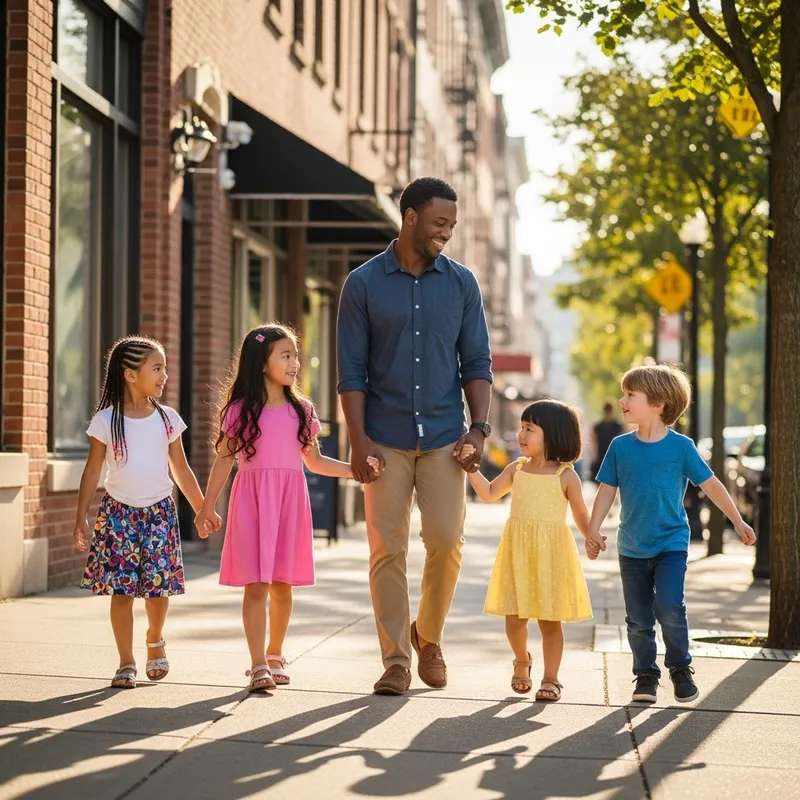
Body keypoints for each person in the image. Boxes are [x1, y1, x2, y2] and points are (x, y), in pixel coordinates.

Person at [337, 176, 493, 696]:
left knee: (446, 542)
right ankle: (397, 660)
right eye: (438, 223)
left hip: (447, 436)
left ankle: (428, 636)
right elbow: (351, 371)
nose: (446, 232)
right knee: (387, 548)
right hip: (384, 435)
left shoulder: (462, 284)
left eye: (452, 223)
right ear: (410, 218)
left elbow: (476, 362)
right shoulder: (362, 284)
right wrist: (358, 441)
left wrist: (479, 428)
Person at [196, 324, 378, 693]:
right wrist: (206, 506)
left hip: (289, 502)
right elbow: (223, 460)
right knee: (256, 583)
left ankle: (276, 653)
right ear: (262, 363)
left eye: (295, 355)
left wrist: (355, 471)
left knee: (282, 584)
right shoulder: (240, 410)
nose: (295, 363)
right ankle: (257, 663)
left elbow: (315, 461)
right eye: (286, 355)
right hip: (253, 500)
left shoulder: (302, 410)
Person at [586, 365, 756, 705]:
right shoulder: (620, 447)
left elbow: (711, 484)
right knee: (638, 619)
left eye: (631, 395)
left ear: (658, 404)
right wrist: (593, 529)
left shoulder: (681, 448)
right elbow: (606, 491)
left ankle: (680, 667)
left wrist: (737, 521)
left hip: (671, 543)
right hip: (631, 546)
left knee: (669, 605)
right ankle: (646, 676)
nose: (623, 400)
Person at [73, 335, 205, 689]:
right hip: (118, 515)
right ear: (131, 374)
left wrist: (201, 508)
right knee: (121, 591)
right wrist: (81, 515)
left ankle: (155, 638)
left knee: (158, 590)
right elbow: (92, 471)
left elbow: (181, 469)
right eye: (157, 368)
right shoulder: (106, 420)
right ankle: (126, 661)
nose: (164, 375)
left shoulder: (167, 419)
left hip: (160, 512)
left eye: (165, 368)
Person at [460, 400, 593, 701]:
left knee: (550, 621)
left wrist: (592, 535)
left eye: (529, 429)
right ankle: (522, 659)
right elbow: (490, 492)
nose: (521, 434)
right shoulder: (516, 469)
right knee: (514, 619)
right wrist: (471, 470)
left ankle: (551, 677)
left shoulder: (565, 475)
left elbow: (581, 515)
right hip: (518, 553)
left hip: (551, 556)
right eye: (521, 427)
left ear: (554, 435)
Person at [590, 402, 623, 483]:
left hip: (606, 457)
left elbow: (594, 444)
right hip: (606, 457)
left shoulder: (599, 426)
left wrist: (593, 458)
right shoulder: (617, 426)